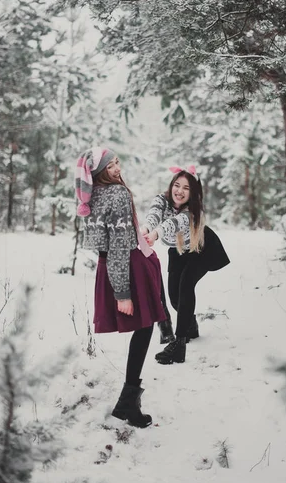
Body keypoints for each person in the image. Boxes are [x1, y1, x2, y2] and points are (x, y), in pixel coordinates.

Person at [75, 146, 166, 428]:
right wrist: (122, 293)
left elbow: (109, 239)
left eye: (117, 162)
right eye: (110, 166)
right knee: (145, 325)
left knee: (146, 325)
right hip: (126, 265)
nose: (117, 169)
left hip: (113, 266)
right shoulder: (117, 194)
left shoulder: (92, 196)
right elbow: (116, 245)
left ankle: (129, 401)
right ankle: (128, 402)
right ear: (98, 172)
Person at [141, 165, 230, 365]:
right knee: (174, 297)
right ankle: (190, 326)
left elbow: (174, 223)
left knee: (186, 285)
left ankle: (178, 345)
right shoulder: (162, 200)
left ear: (193, 193)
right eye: (177, 185)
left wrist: (155, 234)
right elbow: (154, 215)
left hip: (202, 248)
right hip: (178, 250)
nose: (179, 191)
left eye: (186, 188)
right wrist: (146, 229)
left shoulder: (191, 211)